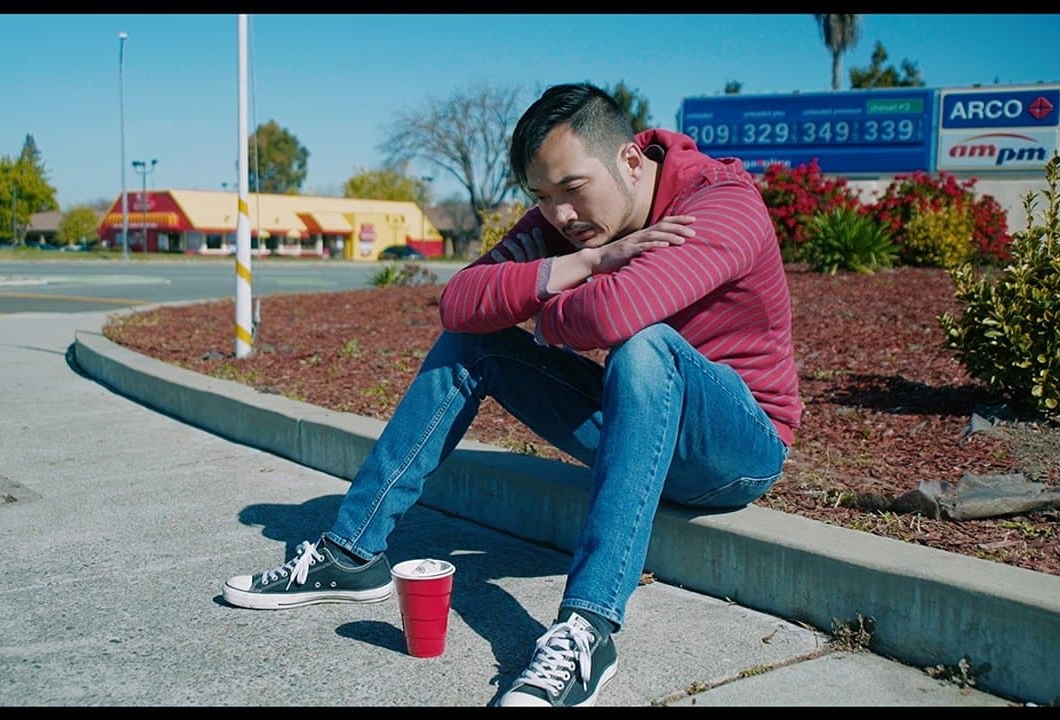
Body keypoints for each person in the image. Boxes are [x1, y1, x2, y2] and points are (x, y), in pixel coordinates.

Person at [221, 81, 801, 707]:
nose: (561, 216)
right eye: (542, 197)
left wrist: (544, 317)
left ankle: (589, 629)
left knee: (642, 345)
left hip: (735, 452)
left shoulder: (720, 204)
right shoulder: (574, 228)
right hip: (639, 423)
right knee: (475, 343)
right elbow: (459, 301)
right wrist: (583, 264)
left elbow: (615, 315)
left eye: (573, 189)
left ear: (631, 160)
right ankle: (352, 553)